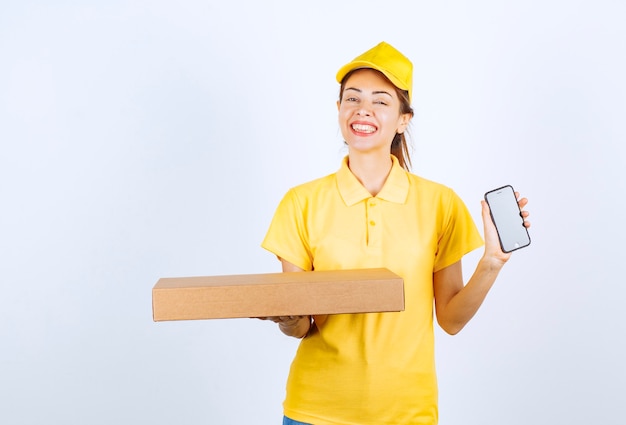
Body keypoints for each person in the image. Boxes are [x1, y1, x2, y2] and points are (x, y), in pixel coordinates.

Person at [260, 41, 530, 425]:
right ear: (339, 110)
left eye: (381, 101)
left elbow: (451, 320)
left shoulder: (440, 203)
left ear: (404, 119)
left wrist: (492, 262)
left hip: (408, 413)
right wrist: (286, 317)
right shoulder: (300, 203)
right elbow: (302, 325)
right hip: (316, 411)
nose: (362, 110)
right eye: (351, 99)